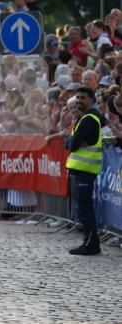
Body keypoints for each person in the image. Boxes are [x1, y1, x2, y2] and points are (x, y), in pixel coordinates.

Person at [52, 86, 103, 256]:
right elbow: (70, 142)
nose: (79, 101)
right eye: (78, 98)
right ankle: (89, 242)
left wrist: (71, 142)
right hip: (80, 170)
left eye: (83, 98)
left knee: (85, 208)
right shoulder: (83, 119)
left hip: (86, 170)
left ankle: (91, 244)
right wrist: (71, 141)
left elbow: (72, 145)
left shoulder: (89, 119)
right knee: (82, 208)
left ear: (91, 100)